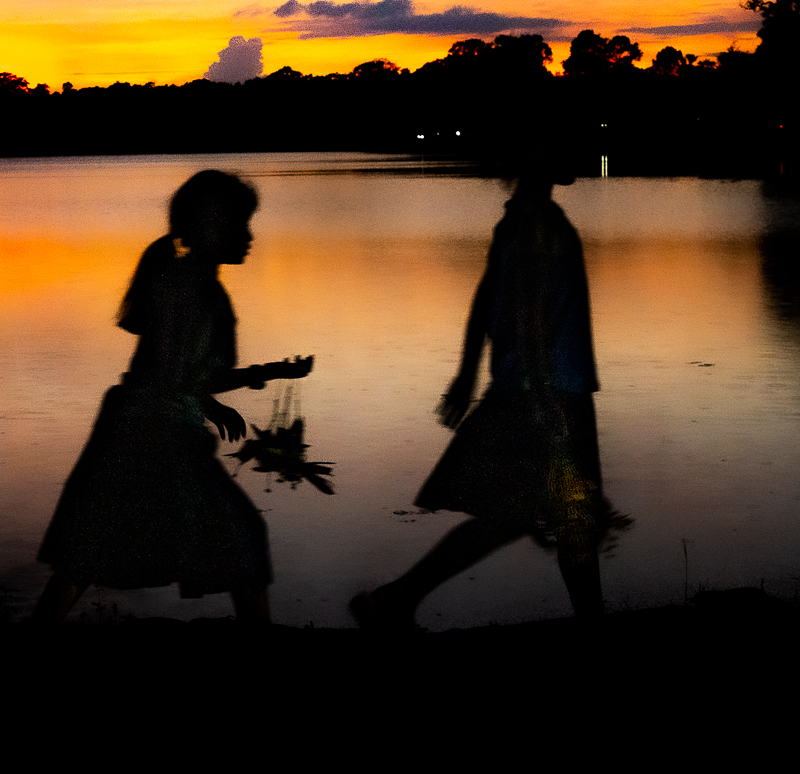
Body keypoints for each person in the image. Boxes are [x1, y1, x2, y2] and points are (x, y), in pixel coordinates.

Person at [351, 151, 622, 631]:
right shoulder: (538, 224)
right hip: (549, 390)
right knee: (559, 518)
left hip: (532, 387)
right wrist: (544, 403)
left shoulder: (519, 218)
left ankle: (396, 599)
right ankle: (397, 598)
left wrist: (468, 372)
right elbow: (531, 316)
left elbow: (486, 296)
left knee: (534, 516)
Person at [33, 170, 312, 625]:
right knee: (240, 536)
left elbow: (175, 371)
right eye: (241, 225)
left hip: (132, 424)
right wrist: (262, 376)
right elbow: (181, 377)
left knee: (92, 547)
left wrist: (232, 391)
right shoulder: (199, 291)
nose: (249, 236)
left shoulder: (179, 279)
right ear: (212, 226)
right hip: (158, 436)